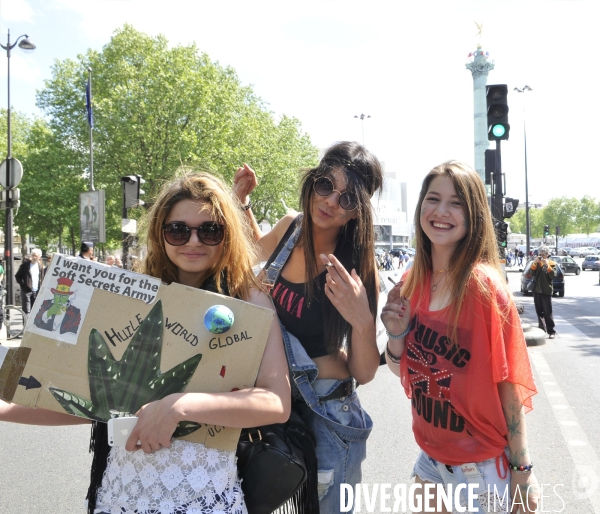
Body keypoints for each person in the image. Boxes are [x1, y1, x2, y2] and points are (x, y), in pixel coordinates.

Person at [1, 172, 291, 514]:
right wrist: (4, 407)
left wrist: (180, 407)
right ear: (160, 234)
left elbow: (276, 401)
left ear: (227, 236)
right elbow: (92, 403)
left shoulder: (249, 300)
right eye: (178, 230)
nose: (193, 241)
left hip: (204, 496)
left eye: (210, 230)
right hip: (122, 494)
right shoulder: (128, 296)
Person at [381, 161, 539, 513]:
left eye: (456, 203)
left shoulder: (484, 288)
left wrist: (523, 470)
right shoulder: (411, 281)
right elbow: (404, 370)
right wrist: (396, 336)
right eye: (433, 199)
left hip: (479, 469)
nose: (441, 211)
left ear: (473, 216)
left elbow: (508, 385)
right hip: (431, 459)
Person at [234, 141, 383, 512]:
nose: (331, 201)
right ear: (312, 182)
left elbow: (364, 373)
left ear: (355, 214)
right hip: (276, 402)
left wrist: (362, 320)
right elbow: (250, 252)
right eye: (325, 185)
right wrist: (241, 203)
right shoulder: (290, 228)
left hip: (328, 412)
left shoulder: (354, 269)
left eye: (347, 199)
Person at [530, 245, 556, 339]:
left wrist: (547, 265)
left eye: (544, 254)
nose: (542, 256)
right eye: (541, 254)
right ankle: (542, 329)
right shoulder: (536, 263)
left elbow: (553, 276)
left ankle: (551, 331)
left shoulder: (552, 263)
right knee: (539, 311)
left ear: (547, 254)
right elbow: (530, 274)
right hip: (537, 291)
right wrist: (534, 263)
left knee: (547, 312)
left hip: (546, 291)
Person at [15, 248, 45, 314]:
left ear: (39, 257)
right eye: (33, 255)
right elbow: (17, 276)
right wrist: (23, 284)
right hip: (26, 291)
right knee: (26, 311)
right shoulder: (25, 265)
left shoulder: (40, 266)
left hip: (36, 291)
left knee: (34, 311)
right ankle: (25, 324)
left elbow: (42, 277)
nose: (34, 257)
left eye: (36, 256)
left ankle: (31, 324)